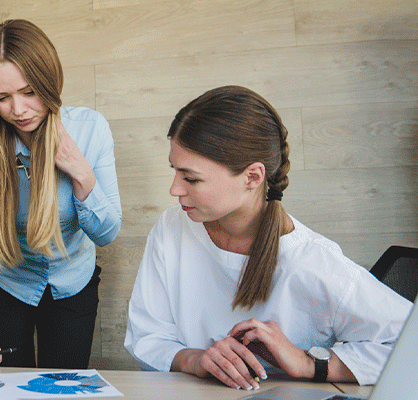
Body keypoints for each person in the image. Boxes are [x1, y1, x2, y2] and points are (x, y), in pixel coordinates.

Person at [124, 85, 412, 390]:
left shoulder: (314, 261)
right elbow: (147, 336)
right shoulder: (172, 227)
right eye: (175, 171)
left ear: (252, 177)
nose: (175, 189)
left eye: (191, 178)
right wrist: (193, 359)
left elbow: (409, 348)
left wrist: (309, 363)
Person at [0, 19, 122, 375]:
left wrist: (81, 173)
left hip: (74, 280)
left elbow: (106, 233)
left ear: (50, 80)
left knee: (63, 388)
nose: (18, 110)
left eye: (29, 92)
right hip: (9, 285)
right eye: (1, 98)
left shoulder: (90, 129)